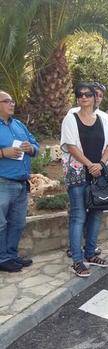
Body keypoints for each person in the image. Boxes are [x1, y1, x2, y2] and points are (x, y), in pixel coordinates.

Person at [60, 83, 108, 277]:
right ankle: (77, 260)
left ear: (95, 98)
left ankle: (91, 254)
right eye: (80, 95)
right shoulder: (71, 118)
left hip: (99, 173)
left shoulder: (104, 118)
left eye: (88, 95)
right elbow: (70, 146)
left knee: (96, 213)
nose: (84, 98)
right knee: (78, 216)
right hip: (77, 174)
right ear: (77, 99)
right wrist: (89, 164)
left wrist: (99, 164)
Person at [0, 91, 39, 273]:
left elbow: (35, 145)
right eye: (7, 101)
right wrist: (2, 153)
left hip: (22, 184)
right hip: (3, 183)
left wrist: (31, 148)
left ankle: (11, 255)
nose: (12, 104)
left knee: (17, 222)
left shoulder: (19, 125)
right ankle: (3, 258)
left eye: (12, 101)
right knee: (1, 224)